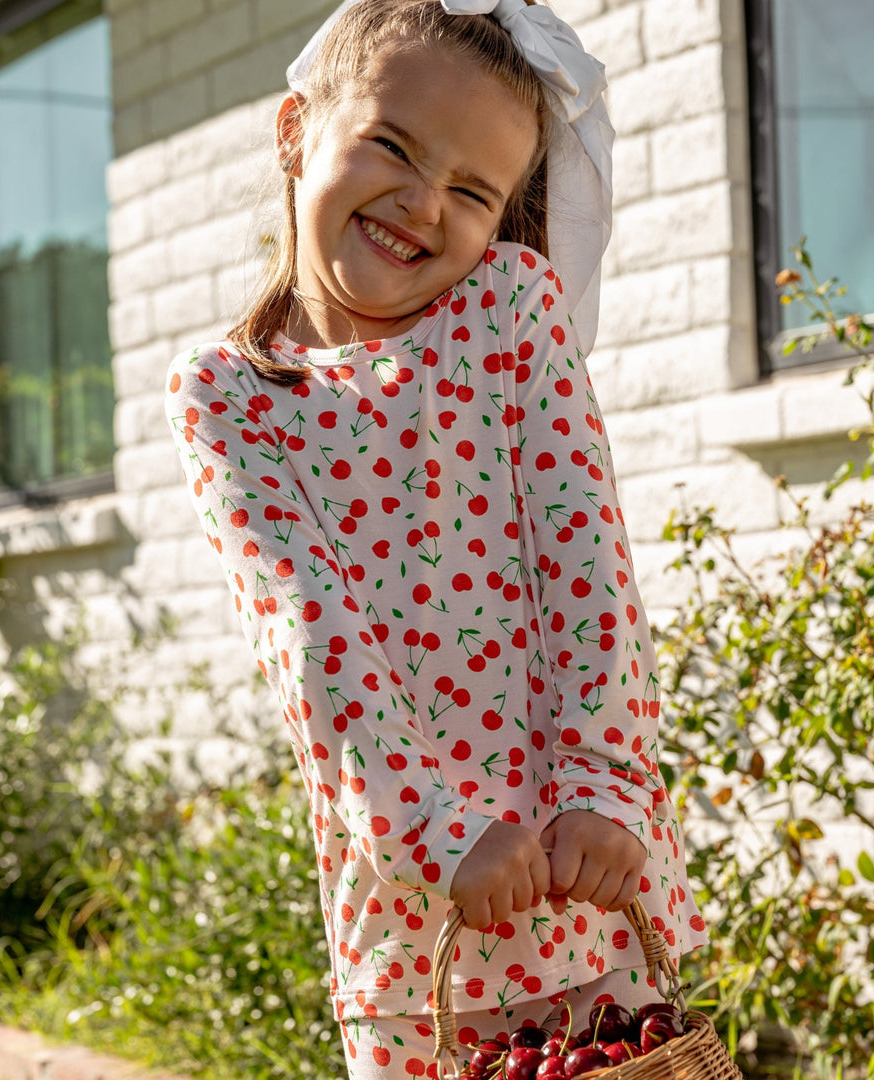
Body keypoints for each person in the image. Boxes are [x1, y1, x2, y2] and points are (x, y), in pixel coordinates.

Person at [165, 0, 707, 1075]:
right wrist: (437, 830)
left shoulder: (511, 306)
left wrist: (603, 784)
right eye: (392, 147)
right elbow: (309, 638)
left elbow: (587, 564)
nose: (423, 205)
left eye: (472, 192)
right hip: (420, 937)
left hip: (581, 871)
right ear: (295, 130)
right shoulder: (228, 395)